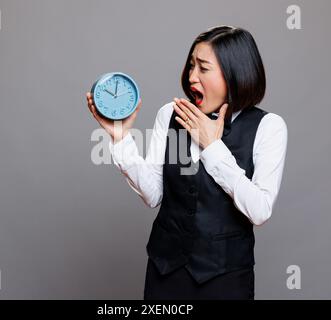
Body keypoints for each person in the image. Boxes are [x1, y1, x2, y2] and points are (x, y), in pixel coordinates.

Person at [86, 25, 288, 300]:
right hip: (165, 272)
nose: (192, 76)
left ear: (235, 73)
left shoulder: (268, 127)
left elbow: (260, 210)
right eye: (191, 65)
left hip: (226, 279)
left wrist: (213, 147)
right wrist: (121, 139)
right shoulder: (170, 114)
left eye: (203, 68)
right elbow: (153, 194)